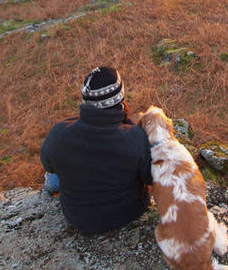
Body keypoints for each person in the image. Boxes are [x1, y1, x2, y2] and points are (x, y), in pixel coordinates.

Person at [40, 66, 152, 234]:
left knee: (56, 169)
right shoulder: (135, 137)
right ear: (120, 99)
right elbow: (150, 177)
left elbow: (48, 166)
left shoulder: (59, 133)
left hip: (77, 218)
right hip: (127, 213)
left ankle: (53, 186)